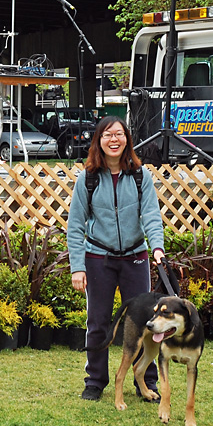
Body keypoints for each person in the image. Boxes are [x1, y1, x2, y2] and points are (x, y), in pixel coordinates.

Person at [67, 115, 165, 402]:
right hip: (98, 258)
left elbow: (150, 216)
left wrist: (156, 248)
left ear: (127, 139)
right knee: (98, 322)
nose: (114, 140)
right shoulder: (88, 178)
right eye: (108, 135)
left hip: (135, 257)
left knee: (146, 322)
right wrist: (78, 267)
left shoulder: (139, 175)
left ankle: (146, 381)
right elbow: (75, 225)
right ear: (98, 140)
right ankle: (95, 382)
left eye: (119, 134)